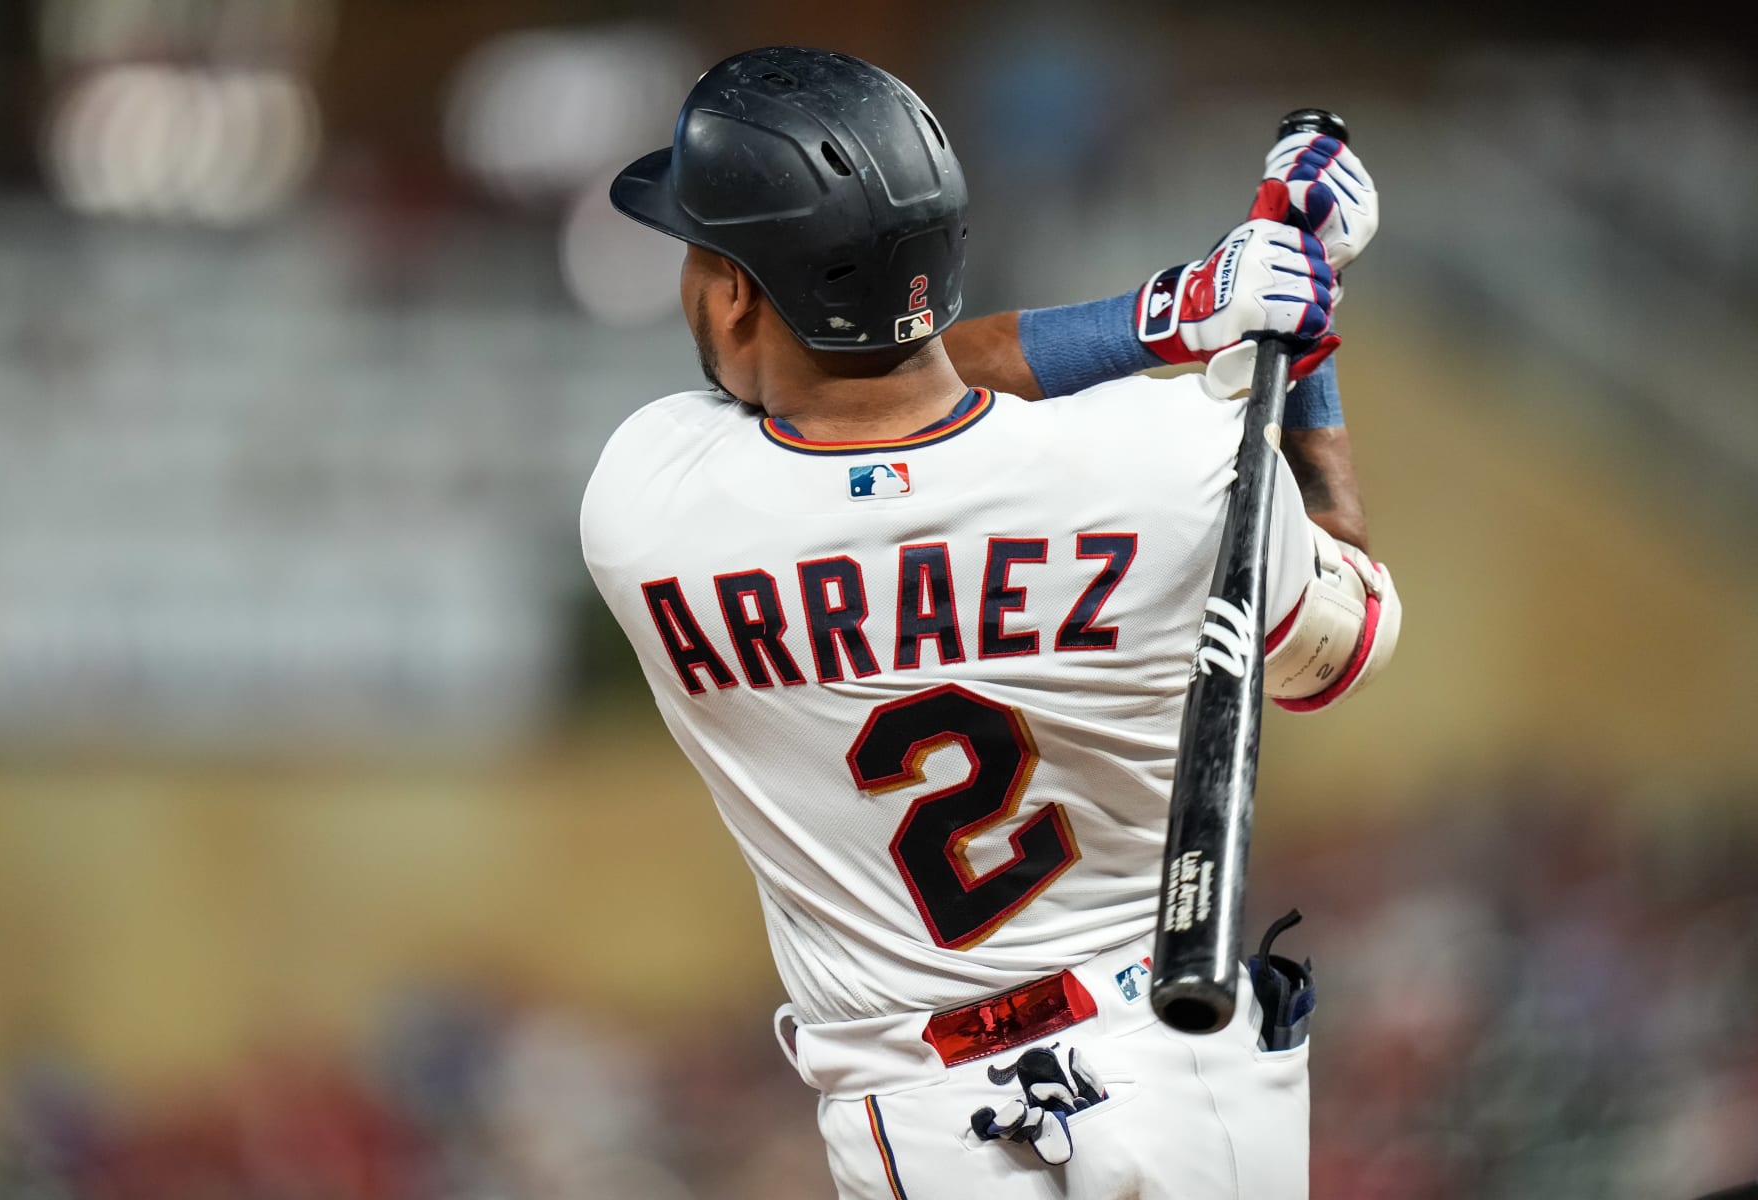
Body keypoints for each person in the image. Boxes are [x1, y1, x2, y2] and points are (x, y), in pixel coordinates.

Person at [582, 45, 1402, 1200]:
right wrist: (1291, 335)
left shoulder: (648, 502)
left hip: (917, 1123)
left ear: (733, 292)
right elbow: (1337, 651)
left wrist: (1171, 316)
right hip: (1181, 1063)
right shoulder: (1170, 462)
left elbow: (868, 381)